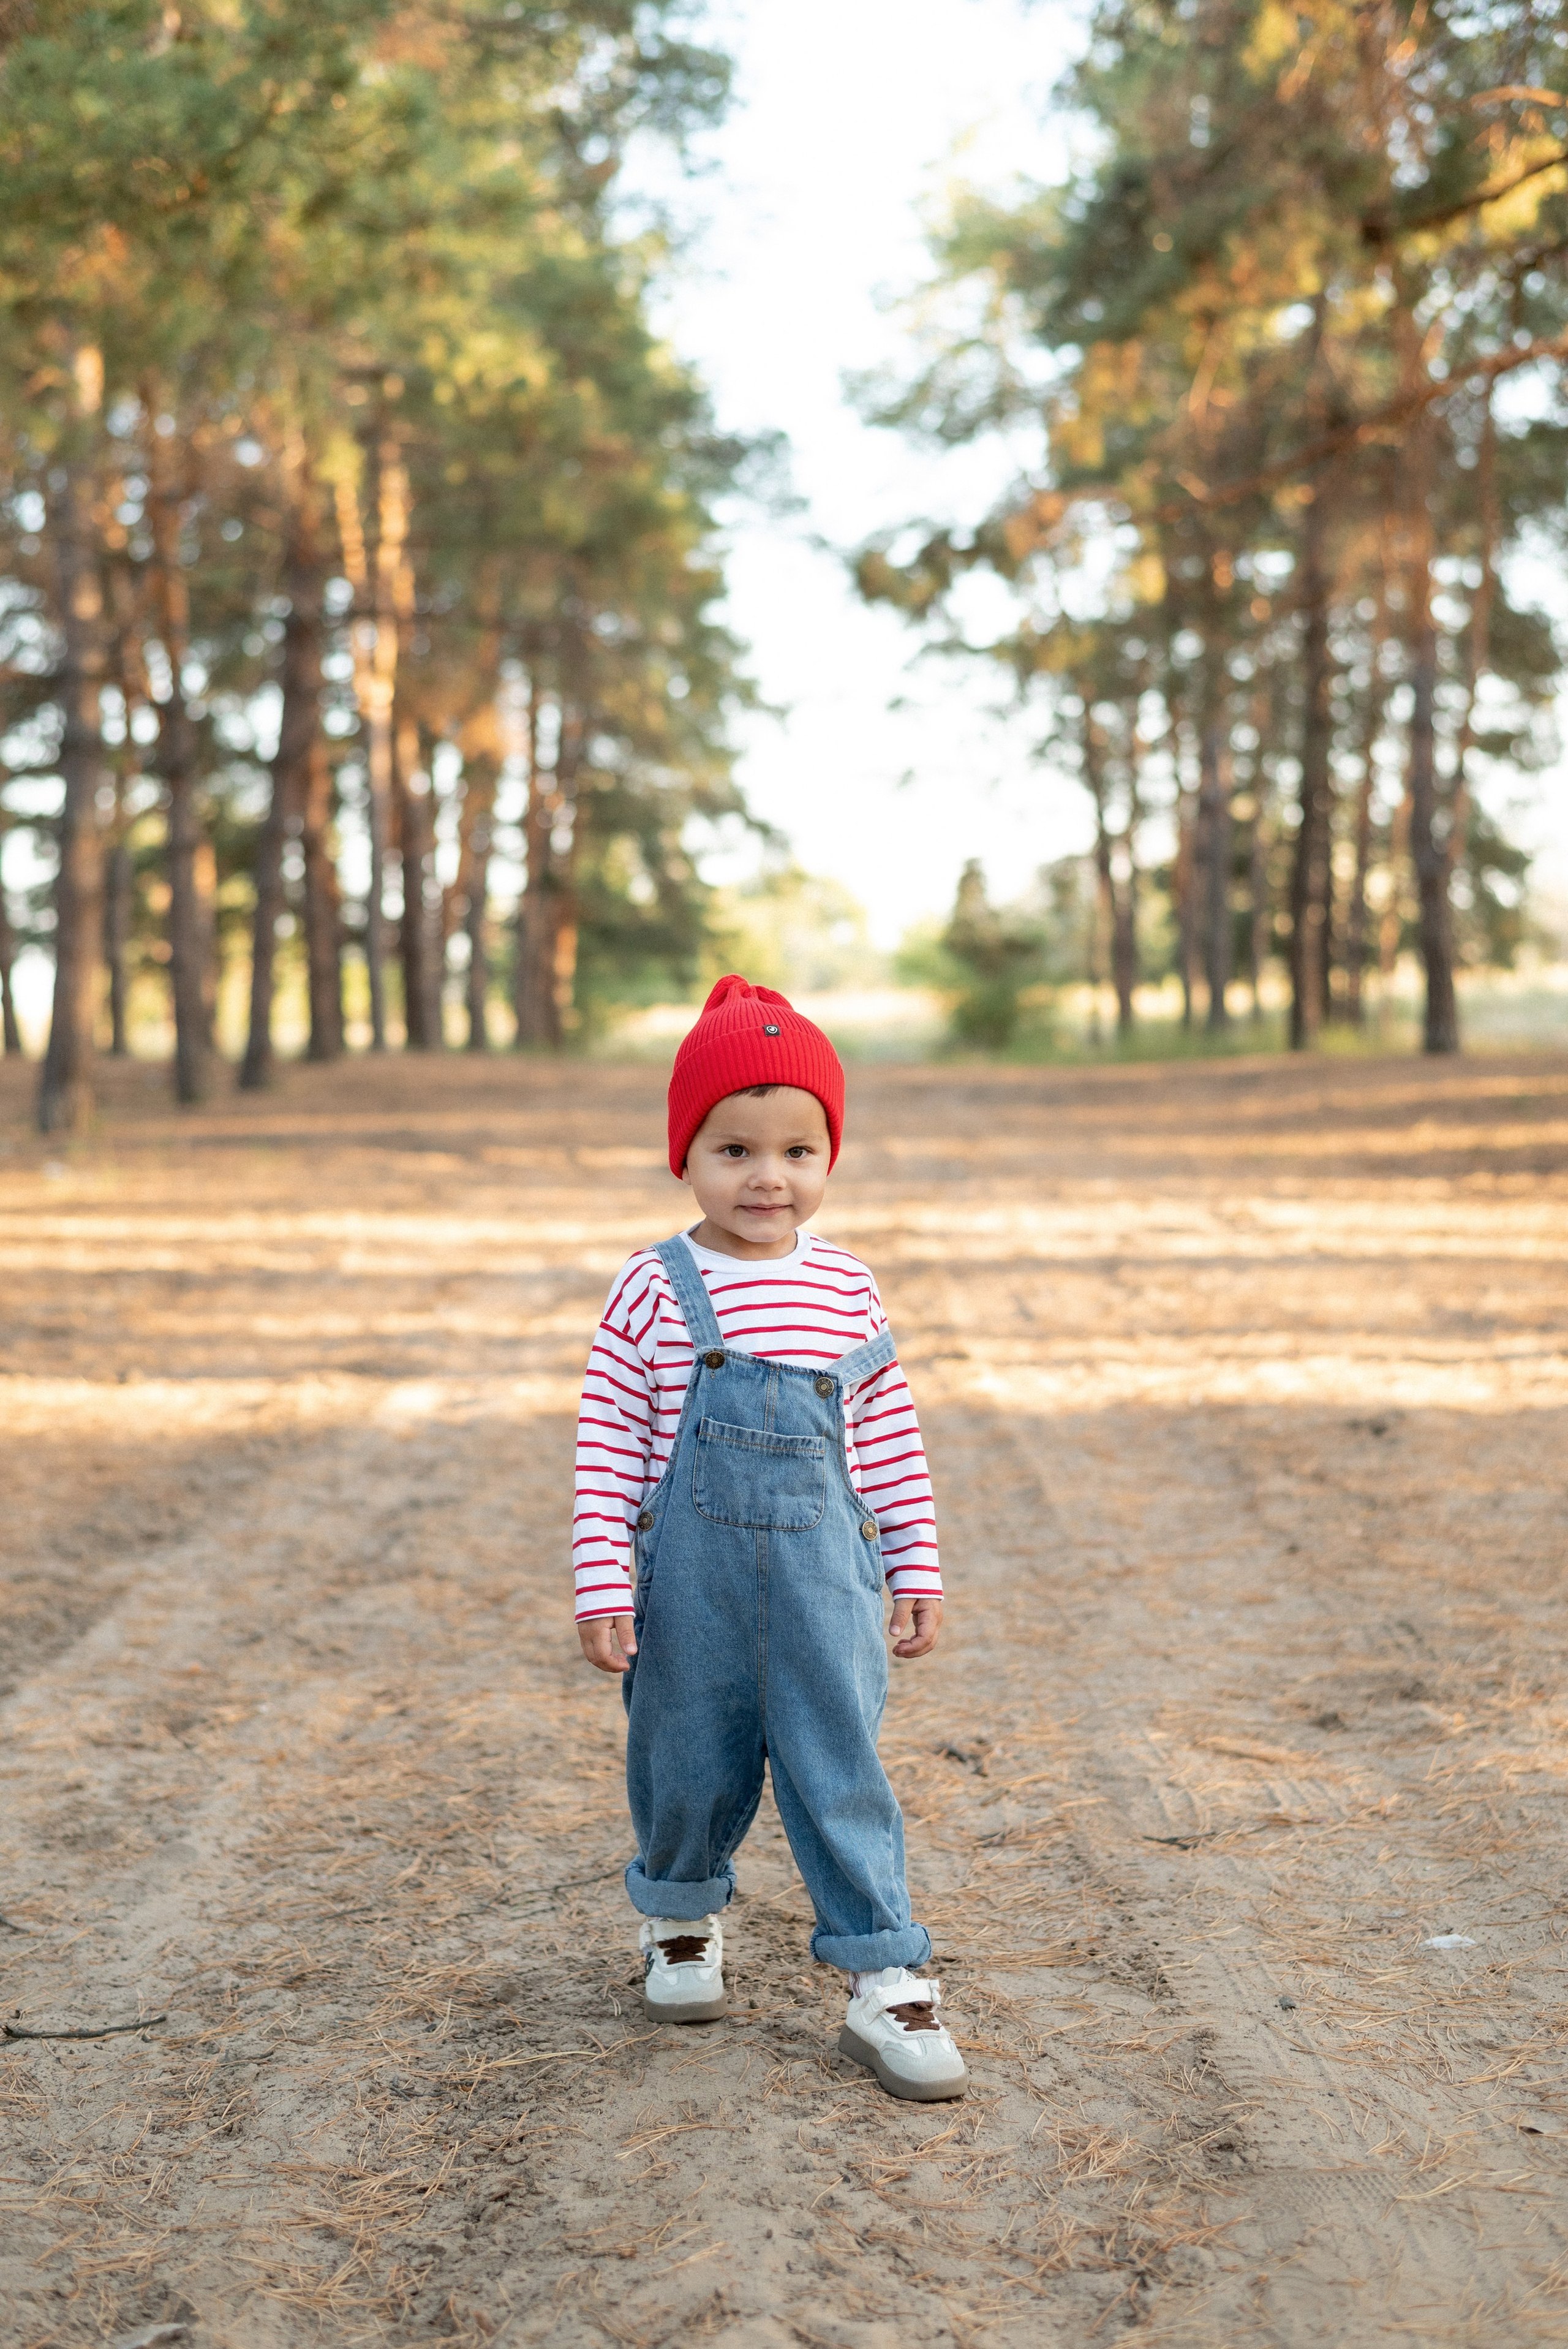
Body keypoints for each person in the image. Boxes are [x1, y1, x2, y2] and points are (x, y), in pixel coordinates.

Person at [571, 973, 967, 2102]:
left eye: (799, 1149)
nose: (768, 1176)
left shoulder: (846, 1286)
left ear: (829, 1158)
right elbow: (607, 1440)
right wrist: (603, 1576)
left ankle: (885, 1972)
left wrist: (913, 1558)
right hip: (685, 1580)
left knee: (839, 1764)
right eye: (734, 1148)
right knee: (683, 1754)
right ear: (684, 1155)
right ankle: (683, 1915)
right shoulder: (653, 1285)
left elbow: (887, 1435)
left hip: (823, 1581)